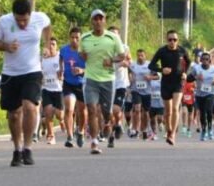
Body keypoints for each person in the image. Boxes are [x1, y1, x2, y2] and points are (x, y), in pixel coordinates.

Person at [0, 0, 52, 166]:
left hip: (32, 71)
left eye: (25, 20)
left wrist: (46, 44)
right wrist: (6, 46)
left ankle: (27, 147)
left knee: (30, 107)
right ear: (13, 15)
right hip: (11, 73)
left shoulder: (40, 18)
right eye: (19, 20)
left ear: (30, 14)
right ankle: (17, 149)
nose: (22, 23)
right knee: (14, 114)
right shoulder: (4, 21)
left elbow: (48, 26)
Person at [79, 9, 125, 155]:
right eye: (95, 19)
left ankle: (107, 123)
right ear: (91, 21)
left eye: (101, 19)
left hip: (108, 80)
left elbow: (122, 56)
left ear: (104, 21)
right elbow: (82, 54)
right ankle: (94, 142)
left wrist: (111, 60)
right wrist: (84, 57)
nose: (98, 21)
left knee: (107, 112)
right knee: (92, 109)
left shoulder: (113, 37)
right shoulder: (85, 38)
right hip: (91, 78)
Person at [148, 30, 191, 145]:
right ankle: (169, 130)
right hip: (166, 83)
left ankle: (172, 135)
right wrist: (162, 70)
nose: (172, 42)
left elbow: (189, 62)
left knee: (175, 108)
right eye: (170, 40)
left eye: (175, 40)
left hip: (178, 82)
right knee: (168, 111)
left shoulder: (182, 50)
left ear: (178, 41)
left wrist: (185, 73)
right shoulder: (162, 51)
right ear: (167, 40)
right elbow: (151, 65)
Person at [60, 27, 86, 148]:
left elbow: (92, 68)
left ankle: (80, 132)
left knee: (82, 111)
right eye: (72, 37)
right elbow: (60, 61)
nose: (74, 40)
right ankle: (70, 136)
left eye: (77, 38)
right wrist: (60, 71)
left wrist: (82, 70)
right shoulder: (64, 50)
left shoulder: (85, 52)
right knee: (69, 108)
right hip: (68, 83)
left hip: (82, 83)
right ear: (69, 37)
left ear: (80, 39)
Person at [188, 52, 214, 141]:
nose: (205, 61)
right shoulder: (196, 68)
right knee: (202, 114)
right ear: (200, 60)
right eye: (203, 59)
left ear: (210, 61)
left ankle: (210, 129)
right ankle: (204, 130)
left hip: (210, 93)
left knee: (209, 111)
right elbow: (188, 78)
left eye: (207, 59)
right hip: (199, 94)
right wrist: (196, 77)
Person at [41, 37, 63, 145]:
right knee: (48, 113)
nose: (51, 46)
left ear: (56, 46)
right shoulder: (42, 59)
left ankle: (62, 120)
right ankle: (51, 136)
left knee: (60, 115)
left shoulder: (60, 57)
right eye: (49, 44)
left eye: (53, 44)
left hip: (58, 89)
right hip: (46, 89)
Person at [129, 49, 153, 139]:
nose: (140, 57)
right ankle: (135, 129)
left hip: (147, 91)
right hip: (136, 90)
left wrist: (150, 77)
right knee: (137, 108)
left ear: (145, 56)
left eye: (142, 55)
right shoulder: (132, 65)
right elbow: (129, 73)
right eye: (138, 55)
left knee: (146, 112)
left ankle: (144, 129)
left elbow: (157, 76)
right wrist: (130, 78)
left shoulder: (149, 65)